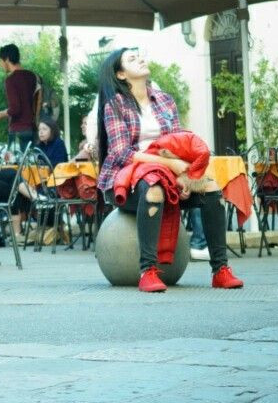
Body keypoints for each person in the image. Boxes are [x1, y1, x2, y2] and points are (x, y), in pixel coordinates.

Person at [96, 47, 243, 292]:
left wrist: (183, 175)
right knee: (153, 187)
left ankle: (220, 270)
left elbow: (177, 144)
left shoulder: (164, 100)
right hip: (127, 179)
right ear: (121, 74)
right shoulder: (115, 105)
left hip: (168, 174)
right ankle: (147, 271)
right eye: (132, 59)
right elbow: (123, 154)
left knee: (211, 187)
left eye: (140, 55)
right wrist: (171, 166)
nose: (140, 59)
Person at [0, 43, 39, 151]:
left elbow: (15, 109)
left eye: (1, 61)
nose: (0, 65)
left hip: (18, 131)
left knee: (16, 161)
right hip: (32, 130)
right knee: (30, 160)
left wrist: (0, 114)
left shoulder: (11, 80)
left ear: (7, 59)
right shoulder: (32, 76)